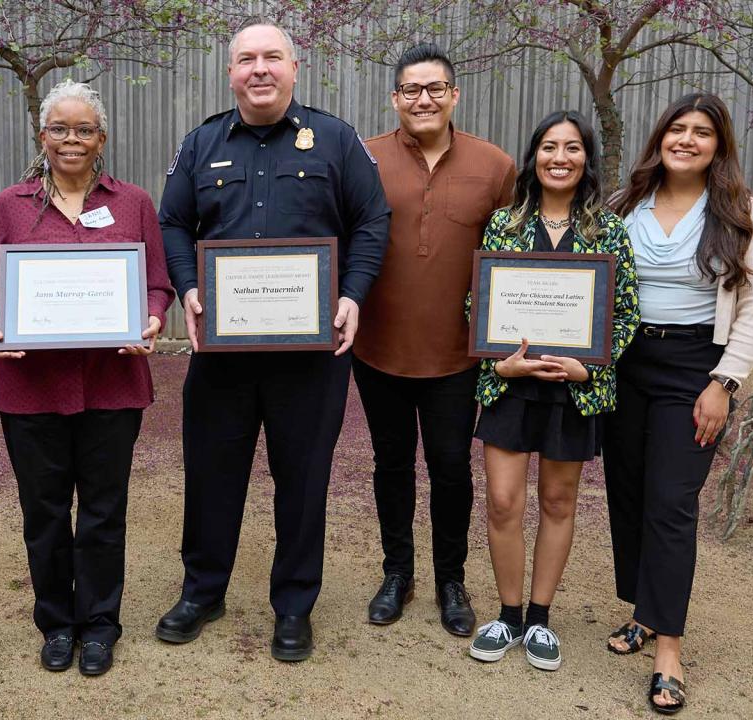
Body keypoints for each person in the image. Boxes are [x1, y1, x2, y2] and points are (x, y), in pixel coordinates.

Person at [156, 20, 390, 662]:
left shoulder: (336, 139)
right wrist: (187, 287)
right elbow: (173, 220)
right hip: (223, 354)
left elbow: (373, 219)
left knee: (303, 477)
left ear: (294, 68)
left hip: (309, 357)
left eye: (272, 58)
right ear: (231, 72)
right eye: (246, 59)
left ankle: (294, 605)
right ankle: (203, 592)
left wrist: (353, 293)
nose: (259, 69)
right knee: (210, 474)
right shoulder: (202, 142)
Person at [0, 79, 174, 677]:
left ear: (101, 138)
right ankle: (56, 624)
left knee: (104, 513)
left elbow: (157, 282)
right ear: (41, 136)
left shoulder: (134, 202)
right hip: (30, 388)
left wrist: (154, 315)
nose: (71, 139)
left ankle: (100, 625)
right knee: (44, 512)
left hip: (112, 384)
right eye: (59, 128)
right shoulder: (10, 204)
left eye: (83, 129)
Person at [604, 93, 753, 714]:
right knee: (626, 492)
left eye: (701, 132)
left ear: (718, 145)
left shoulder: (741, 213)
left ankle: (669, 650)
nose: (687, 140)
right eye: (677, 129)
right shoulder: (626, 207)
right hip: (624, 364)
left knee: (672, 503)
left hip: (694, 368)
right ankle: (643, 612)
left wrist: (724, 384)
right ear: (660, 138)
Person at [465, 111, 639, 671]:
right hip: (512, 386)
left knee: (559, 502)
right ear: (533, 156)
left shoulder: (608, 229)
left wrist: (590, 369)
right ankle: (508, 615)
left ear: (587, 158)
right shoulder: (504, 224)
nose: (558, 158)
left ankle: (540, 619)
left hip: (574, 390)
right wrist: (503, 365)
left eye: (571, 148)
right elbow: (478, 305)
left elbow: (626, 312)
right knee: (502, 502)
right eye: (547, 147)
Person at [355, 43, 515, 635]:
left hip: (457, 355)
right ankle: (398, 571)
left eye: (435, 89)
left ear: (454, 96)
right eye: (411, 90)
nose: (423, 99)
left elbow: (512, 261)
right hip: (379, 349)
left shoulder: (495, 166)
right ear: (395, 98)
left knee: (451, 467)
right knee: (390, 464)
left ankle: (451, 577)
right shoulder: (362, 160)